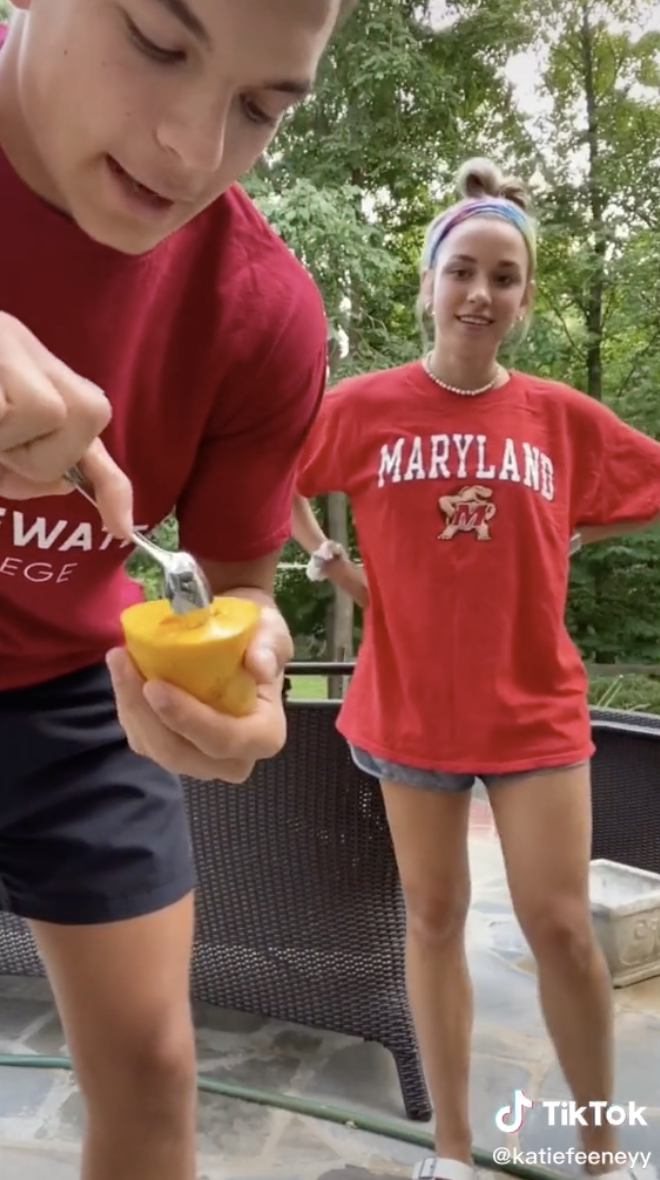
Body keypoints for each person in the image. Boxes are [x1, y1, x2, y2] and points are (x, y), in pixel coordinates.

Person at [0, 1, 356, 1178]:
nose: (190, 151)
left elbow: (244, 579)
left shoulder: (262, 312)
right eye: (159, 39)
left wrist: (252, 662)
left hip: (77, 701)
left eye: (263, 106)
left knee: (155, 1071)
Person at [292, 157, 660, 1180]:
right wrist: (331, 564)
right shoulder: (363, 407)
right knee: (437, 918)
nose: (481, 293)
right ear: (429, 285)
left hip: (534, 710)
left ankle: (600, 1152)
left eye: (505, 276)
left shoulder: (560, 417)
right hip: (408, 711)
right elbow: (267, 469)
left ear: (525, 297)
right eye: (462, 271)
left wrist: (566, 528)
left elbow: (633, 482)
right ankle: (451, 1152)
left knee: (562, 930)